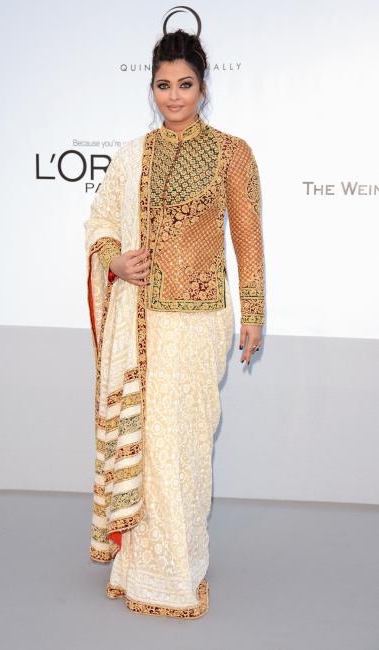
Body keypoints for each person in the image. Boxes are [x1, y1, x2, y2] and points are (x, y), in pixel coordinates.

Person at [84, 28, 265, 619]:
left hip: (199, 323)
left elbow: (248, 240)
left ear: (203, 88)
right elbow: (100, 221)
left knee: (184, 445)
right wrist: (114, 260)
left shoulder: (232, 152)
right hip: (143, 321)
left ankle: (181, 565)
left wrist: (254, 312)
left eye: (185, 84)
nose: (174, 96)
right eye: (163, 85)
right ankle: (140, 566)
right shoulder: (132, 155)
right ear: (152, 89)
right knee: (150, 445)